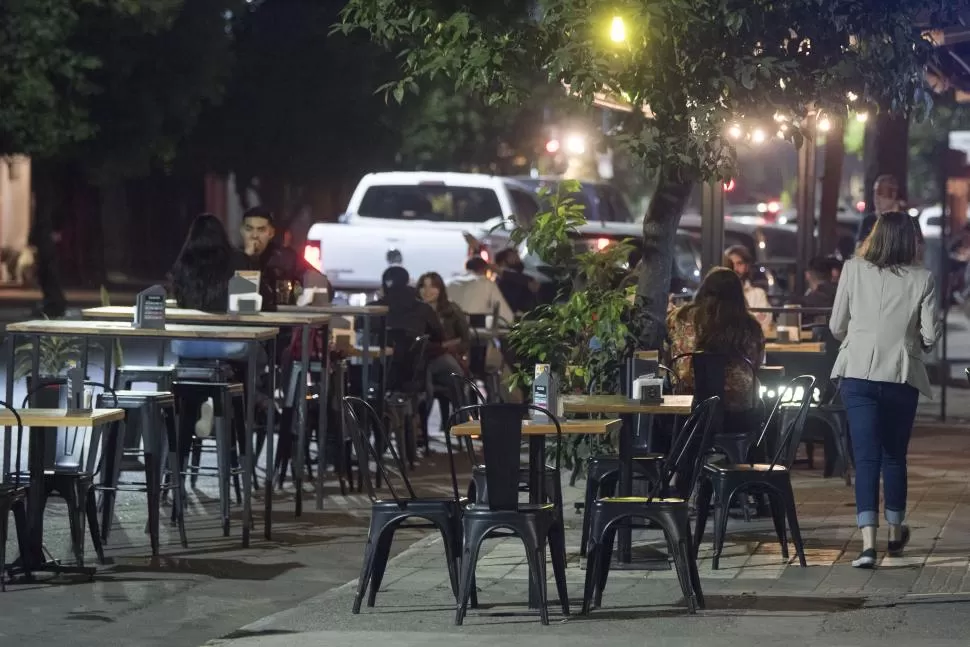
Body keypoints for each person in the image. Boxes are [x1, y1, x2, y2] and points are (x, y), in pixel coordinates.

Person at [830, 211, 941, 568]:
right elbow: (929, 336)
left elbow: (836, 325)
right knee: (894, 456)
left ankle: (867, 545)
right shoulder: (922, 279)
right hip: (899, 375)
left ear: (874, 236)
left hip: (858, 374)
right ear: (910, 241)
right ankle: (895, 533)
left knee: (865, 459)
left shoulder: (852, 269)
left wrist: (859, 339)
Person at [667, 267, 765, 417]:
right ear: (738, 295)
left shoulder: (680, 317)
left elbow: (668, 352)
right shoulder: (751, 325)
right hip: (739, 410)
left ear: (704, 289)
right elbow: (756, 364)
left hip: (688, 407)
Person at [238, 206, 329, 310]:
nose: (254, 235)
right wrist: (246, 259)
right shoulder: (232, 258)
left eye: (261, 230)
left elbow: (322, 283)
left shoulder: (284, 258)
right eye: (249, 229)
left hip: (281, 319)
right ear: (241, 231)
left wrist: (306, 292)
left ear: (271, 233)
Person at [446, 256, 514, 324]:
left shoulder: (448, 283)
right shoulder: (486, 283)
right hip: (476, 330)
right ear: (484, 269)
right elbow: (506, 316)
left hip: (449, 328)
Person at [723, 245, 771, 329]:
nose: (734, 268)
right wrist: (751, 318)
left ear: (747, 266)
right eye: (730, 264)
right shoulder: (718, 293)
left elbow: (763, 325)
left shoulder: (758, 294)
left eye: (739, 263)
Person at [856, 175, 902, 247]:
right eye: (875, 192)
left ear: (893, 195)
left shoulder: (906, 222)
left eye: (882, 192)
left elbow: (917, 252)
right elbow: (859, 250)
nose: (876, 197)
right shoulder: (868, 221)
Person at [494, 248, 539, 315]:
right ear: (502, 262)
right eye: (511, 255)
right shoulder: (502, 281)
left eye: (516, 254)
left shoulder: (523, 273)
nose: (517, 256)